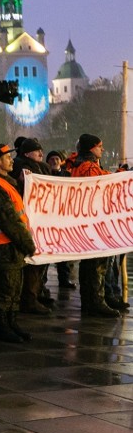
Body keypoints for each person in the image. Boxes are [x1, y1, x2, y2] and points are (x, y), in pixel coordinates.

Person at [0, 144, 35, 342]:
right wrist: (28, 244)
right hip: (1, 247)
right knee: (4, 290)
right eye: (7, 157)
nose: (11, 160)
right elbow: (9, 221)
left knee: (14, 289)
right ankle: (2, 327)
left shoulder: (4, 183)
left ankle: (11, 324)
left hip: (10, 247)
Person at [68, 134, 122, 317]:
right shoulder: (88, 167)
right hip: (94, 222)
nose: (103, 149)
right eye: (100, 146)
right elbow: (98, 188)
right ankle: (96, 302)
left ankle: (90, 301)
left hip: (86, 221)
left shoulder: (79, 165)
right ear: (92, 148)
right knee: (96, 264)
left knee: (89, 264)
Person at [10, 138, 54, 315]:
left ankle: (36, 292)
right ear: (27, 153)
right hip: (30, 220)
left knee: (41, 260)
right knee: (32, 261)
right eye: (37, 151)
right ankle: (28, 298)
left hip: (43, 219)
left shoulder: (42, 167)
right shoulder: (19, 167)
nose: (41, 155)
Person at [45, 150, 76, 289]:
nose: (54, 161)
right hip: (47, 218)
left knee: (63, 252)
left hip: (63, 218)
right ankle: (42, 282)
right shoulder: (43, 176)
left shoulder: (67, 176)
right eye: (51, 159)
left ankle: (64, 279)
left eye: (57, 158)